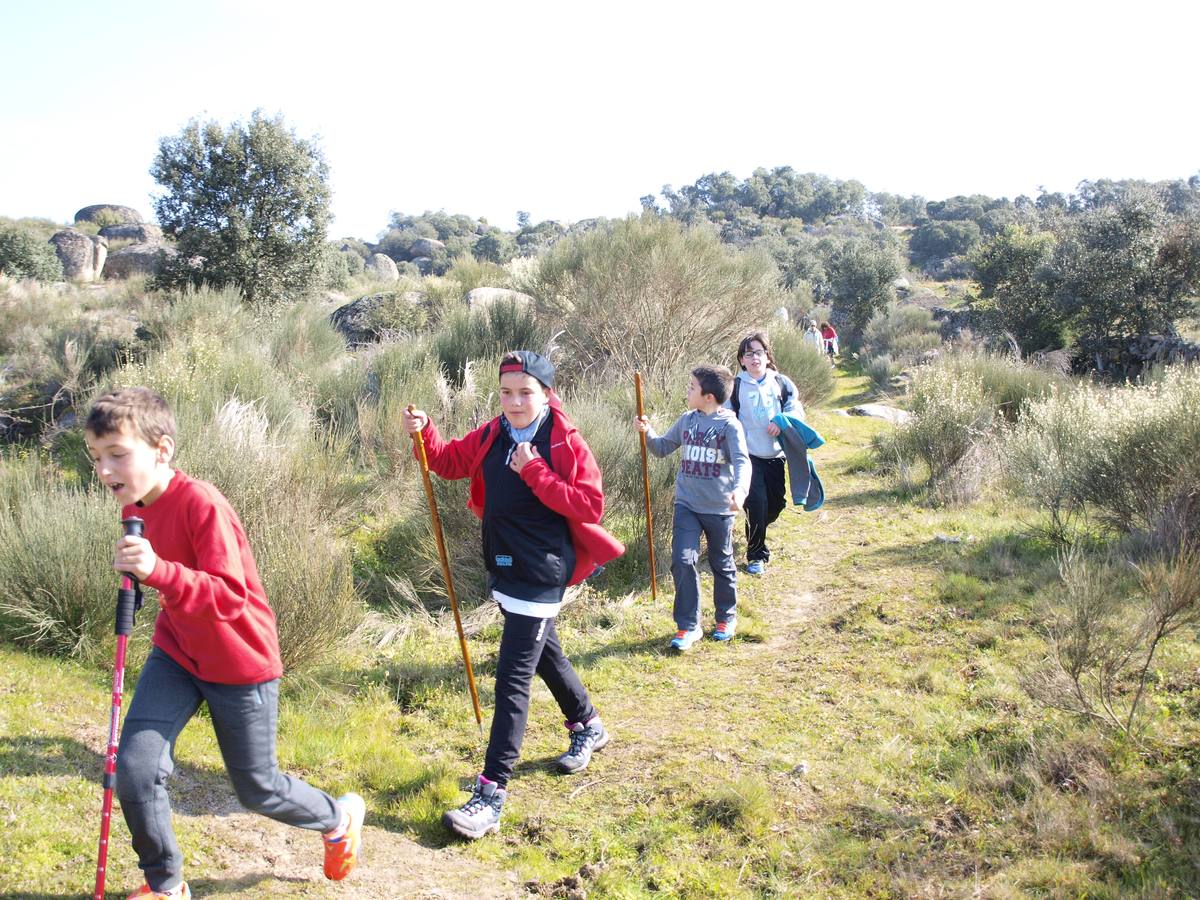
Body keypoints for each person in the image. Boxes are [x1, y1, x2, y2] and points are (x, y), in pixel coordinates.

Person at [84, 387, 364, 900]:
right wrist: (141, 578)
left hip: (239, 661)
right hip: (177, 652)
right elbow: (165, 581)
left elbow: (230, 596)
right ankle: (166, 885)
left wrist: (158, 570)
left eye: (117, 454)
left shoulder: (201, 503)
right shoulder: (134, 506)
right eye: (96, 456)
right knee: (136, 770)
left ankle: (337, 818)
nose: (104, 470)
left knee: (258, 789)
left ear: (162, 450)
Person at [402, 351, 624, 841]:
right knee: (544, 652)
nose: (515, 402)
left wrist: (536, 470)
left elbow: (589, 504)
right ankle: (587, 723)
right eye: (506, 392)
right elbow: (448, 461)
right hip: (504, 564)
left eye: (526, 392)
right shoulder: (493, 433)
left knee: (511, 678)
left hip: (543, 570)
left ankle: (491, 795)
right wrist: (425, 432)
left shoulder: (563, 441)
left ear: (546, 393)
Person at [634, 365, 750, 649]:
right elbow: (662, 448)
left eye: (692, 387)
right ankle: (688, 626)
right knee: (683, 560)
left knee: (721, 562)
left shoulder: (729, 426)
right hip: (686, 504)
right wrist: (647, 432)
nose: (687, 391)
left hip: (719, 508)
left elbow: (742, 462)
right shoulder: (687, 420)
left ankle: (726, 618)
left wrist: (740, 491)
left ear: (708, 396)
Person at [729, 331, 802, 576]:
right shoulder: (736, 386)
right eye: (748, 354)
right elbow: (726, 417)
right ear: (742, 360)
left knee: (776, 504)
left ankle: (758, 525)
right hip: (748, 456)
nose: (754, 358)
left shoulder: (781, 382)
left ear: (767, 356)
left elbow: (795, 409)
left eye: (759, 352)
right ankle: (756, 555)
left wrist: (782, 421)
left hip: (776, 455)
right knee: (756, 504)